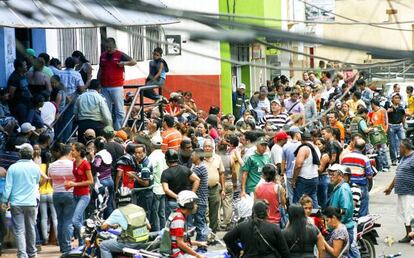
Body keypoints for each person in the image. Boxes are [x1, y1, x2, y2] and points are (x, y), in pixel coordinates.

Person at [1, 143, 41, 258]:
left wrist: (4, 201)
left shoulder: (13, 168)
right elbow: (36, 182)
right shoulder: (35, 167)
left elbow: (8, 187)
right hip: (31, 202)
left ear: (20, 154)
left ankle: (22, 255)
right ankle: (32, 253)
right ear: (31, 154)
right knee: (31, 227)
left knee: (19, 230)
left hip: (16, 203)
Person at [224, 201, 291, 258]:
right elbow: (285, 251)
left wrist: (238, 251)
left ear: (253, 212)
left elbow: (227, 238)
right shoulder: (274, 228)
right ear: (267, 212)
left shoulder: (242, 226)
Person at [98, 38, 137, 130]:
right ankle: (109, 129)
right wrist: (98, 82)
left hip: (116, 86)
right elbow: (100, 69)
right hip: (104, 86)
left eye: (110, 47)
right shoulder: (103, 56)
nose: (108, 49)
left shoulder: (120, 54)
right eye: (107, 47)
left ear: (114, 46)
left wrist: (124, 63)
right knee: (106, 109)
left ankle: (120, 129)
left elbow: (134, 62)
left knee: (119, 110)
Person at [384, 139, 414, 243]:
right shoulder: (403, 158)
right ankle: (408, 235)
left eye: (400, 147)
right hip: (402, 191)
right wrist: (390, 187)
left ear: (404, 148)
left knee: (411, 214)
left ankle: (412, 235)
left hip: (410, 191)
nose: (398, 149)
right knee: (405, 214)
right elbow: (398, 174)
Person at [48, 143, 75, 254]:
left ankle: (62, 245)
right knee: (68, 221)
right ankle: (67, 246)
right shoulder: (72, 164)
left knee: (60, 220)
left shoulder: (52, 165)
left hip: (56, 194)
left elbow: (50, 181)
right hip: (70, 193)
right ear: (69, 153)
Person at [327, 164, 359, 258]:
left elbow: (344, 211)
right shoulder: (338, 187)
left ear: (340, 176)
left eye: (333, 175)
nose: (331, 177)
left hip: (344, 228)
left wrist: (336, 222)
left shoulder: (343, 189)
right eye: (330, 174)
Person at [65, 142, 93, 246]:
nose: (71, 152)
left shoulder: (85, 163)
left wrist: (74, 184)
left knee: (75, 220)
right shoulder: (74, 163)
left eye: (73, 150)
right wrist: (71, 184)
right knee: (79, 219)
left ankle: (87, 237)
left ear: (79, 152)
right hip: (75, 194)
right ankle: (82, 245)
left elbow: (91, 181)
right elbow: (77, 178)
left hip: (84, 195)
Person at [164, 190, 206, 258]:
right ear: (188, 204)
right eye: (194, 203)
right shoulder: (179, 219)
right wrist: (197, 256)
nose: (196, 206)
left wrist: (199, 243)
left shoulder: (177, 214)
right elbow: (180, 244)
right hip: (177, 253)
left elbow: (181, 241)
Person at [161, 149, 200, 216]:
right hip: (187, 202)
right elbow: (197, 180)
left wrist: (177, 197)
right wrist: (191, 193)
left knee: (174, 223)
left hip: (173, 202)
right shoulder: (185, 169)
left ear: (167, 161)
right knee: (188, 224)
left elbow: (166, 189)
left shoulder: (165, 173)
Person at [341, 138, 373, 217]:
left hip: (347, 186)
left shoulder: (345, 157)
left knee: (347, 206)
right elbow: (369, 175)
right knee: (362, 209)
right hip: (361, 186)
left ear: (353, 145)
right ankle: (361, 224)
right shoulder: (364, 159)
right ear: (363, 148)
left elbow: (341, 171)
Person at [57, 57, 85, 142]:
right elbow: (81, 88)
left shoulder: (60, 73)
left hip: (61, 97)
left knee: (59, 119)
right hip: (72, 97)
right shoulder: (77, 74)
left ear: (65, 64)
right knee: (68, 120)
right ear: (74, 65)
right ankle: (66, 140)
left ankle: (58, 139)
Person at [292, 131, 320, 207]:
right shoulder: (316, 147)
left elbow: (298, 165)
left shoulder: (304, 148)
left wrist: (294, 179)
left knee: (298, 201)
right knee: (313, 198)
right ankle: (315, 216)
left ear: (302, 140)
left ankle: (297, 217)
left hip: (304, 178)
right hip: (314, 177)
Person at [203, 138, 225, 233]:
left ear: (213, 148)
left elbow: (222, 174)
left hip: (215, 189)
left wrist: (223, 189)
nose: (207, 148)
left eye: (209, 146)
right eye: (205, 146)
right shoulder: (200, 159)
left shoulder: (218, 158)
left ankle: (213, 234)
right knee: (204, 212)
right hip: (203, 189)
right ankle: (204, 233)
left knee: (214, 213)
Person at [148, 137, 168, 232]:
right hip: (164, 188)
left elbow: (150, 173)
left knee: (155, 213)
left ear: (151, 145)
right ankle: (164, 232)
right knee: (162, 213)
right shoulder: (164, 156)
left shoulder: (152, 157)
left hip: (155, 188)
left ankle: (157, 233)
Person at [92, 137, 114, 218]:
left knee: (100, 205)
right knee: (109, 204)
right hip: (110, 180)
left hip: (101, 182)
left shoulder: (99, 156)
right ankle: (110, 224)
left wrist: (92, 160)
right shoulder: (108, 153)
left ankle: (101, 225)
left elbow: (96, 166)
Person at [191, 148, 209, 249]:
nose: (191, 157)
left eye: (192, 155)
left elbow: (188, 176)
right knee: (200, 223)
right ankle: (201, 244)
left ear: (198, 156)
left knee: (200, 224)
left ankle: (202, 246)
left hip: (200, 201)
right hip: (201, 200)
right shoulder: (197, 166)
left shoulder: (200, 168)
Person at [281, 126, 302, 204]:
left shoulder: (285, 146)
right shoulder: (301, 145)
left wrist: (282, 173)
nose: (300, 135)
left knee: (291, 195)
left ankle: (292, 211)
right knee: (300, 194)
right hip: (300, 174)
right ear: (296, 134)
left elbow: (283, 161)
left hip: (289, 174)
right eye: (299, 134)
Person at [368, 98, 390, 172]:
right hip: (374, 132)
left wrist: (385, 131)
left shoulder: (382, 110)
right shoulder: (371, 113)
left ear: (373, 104)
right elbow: (369, 122)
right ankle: (380, 166)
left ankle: (386, 165)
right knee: (377, 150)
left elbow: (386, 121)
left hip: (381, 131)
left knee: (383, 149)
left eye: (371, 104)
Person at [385, 93, 406, 165]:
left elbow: (403, 116)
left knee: (403, 142)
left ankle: (402, 158)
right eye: (396, 98)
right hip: (391, 126)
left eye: (399, 98)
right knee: (392, 144)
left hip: (400, 126)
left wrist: (404, 125)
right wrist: (387, 111)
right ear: (392, 99)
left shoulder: (401, 107)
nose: (397, 99)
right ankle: (393, 160)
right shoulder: (389, 106)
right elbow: (384, 115)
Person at [315, 137, 330, 209]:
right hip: (318, 178)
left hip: (322, 178)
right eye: (316, 144)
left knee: (323, 199)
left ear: (324, 145)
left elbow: (320, 169)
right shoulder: (317, 154)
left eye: (319, 144)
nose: (317, 146)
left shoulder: (324, 155)